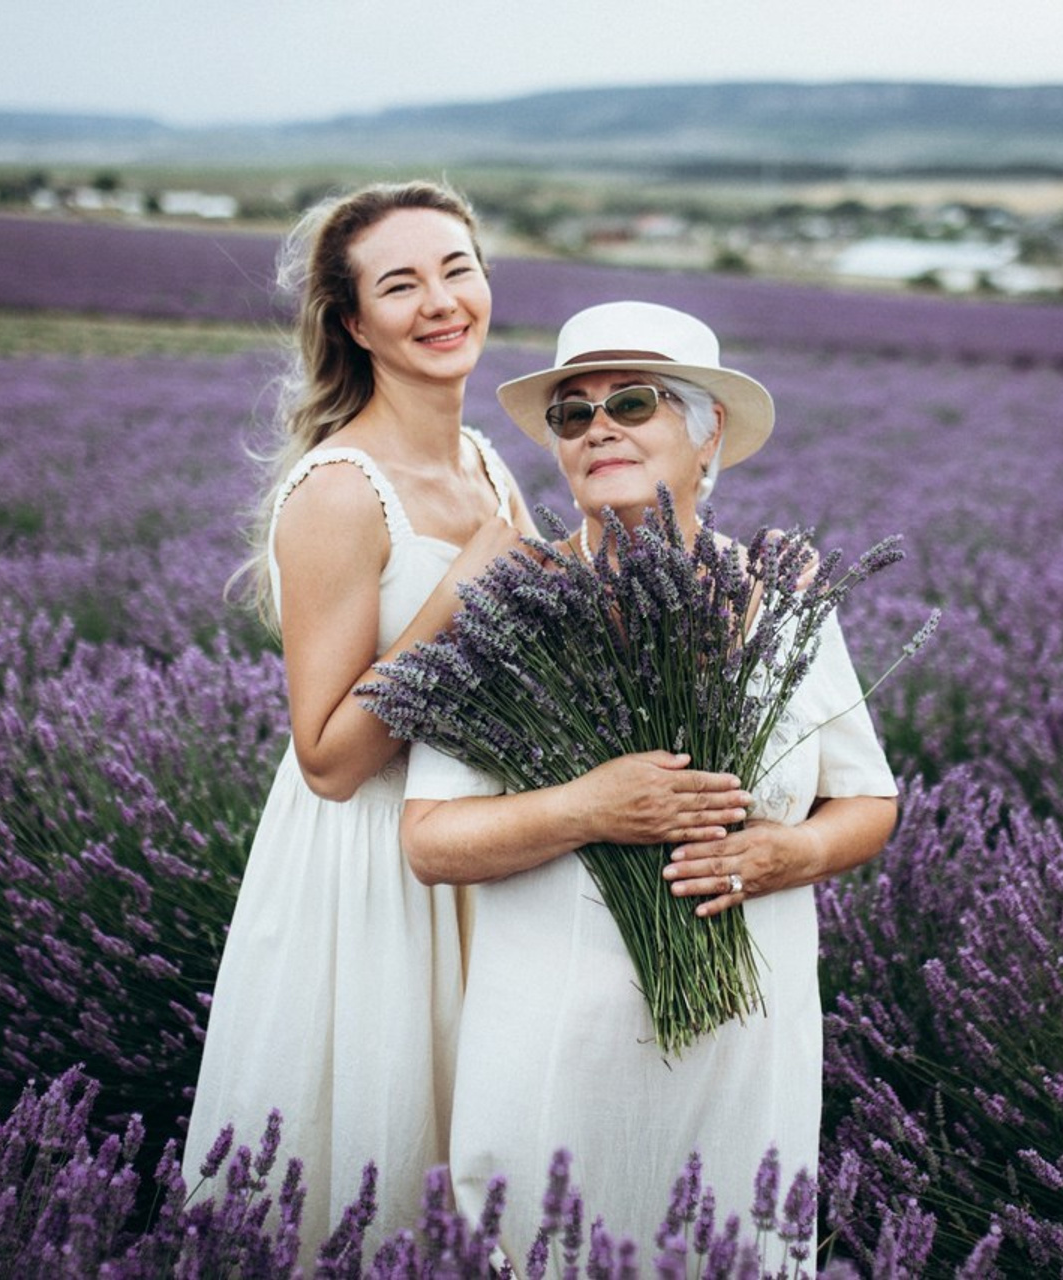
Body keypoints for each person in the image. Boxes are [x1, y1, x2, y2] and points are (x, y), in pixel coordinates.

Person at [179, 192, 748, 1261]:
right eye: (399, 285)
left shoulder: (485, 460)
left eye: (457, 268)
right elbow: (328, 756)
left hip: (483, 847)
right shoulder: (340, 489)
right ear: (352, 323)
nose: (441, 302)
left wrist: (723, 597)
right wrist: (460, 597)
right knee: (371, 1170)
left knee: (485, 1171)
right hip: (368, 880)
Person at [400, 301, 900, 1267]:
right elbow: (429, 841)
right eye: (573, 413)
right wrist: (589, 807)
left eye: (635, 401)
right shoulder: (509, 609)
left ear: (706, 432)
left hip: (746, 1044)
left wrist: (783, 853)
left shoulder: (788, 597)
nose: (601, 428)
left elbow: (869, 802)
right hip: (558, 1046)